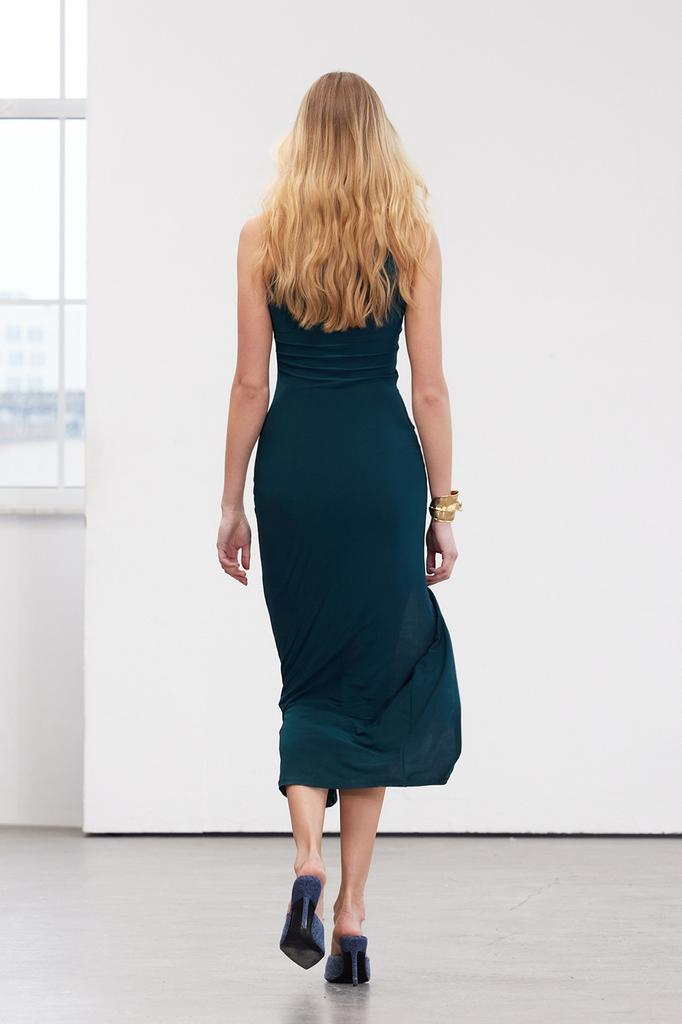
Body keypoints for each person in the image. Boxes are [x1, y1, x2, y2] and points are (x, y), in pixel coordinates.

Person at [217, 71, 462, 986]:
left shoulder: (262, 239)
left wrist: (231, 502)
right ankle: (352, 921)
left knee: (310, 677)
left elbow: (251, 385)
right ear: (377, 145)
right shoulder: (411, 242)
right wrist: (443, 508)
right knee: (374, 684)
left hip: (295, 475)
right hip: (379, 476)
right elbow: (429, 391)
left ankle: (308, 863)